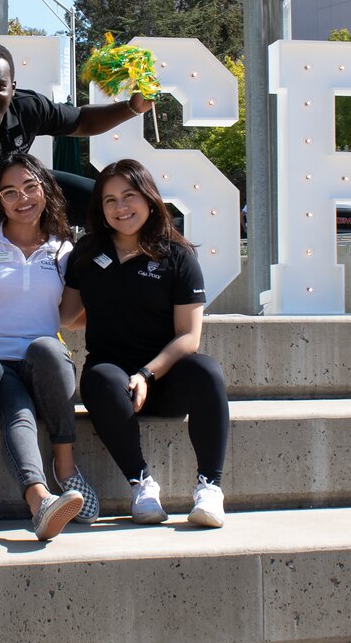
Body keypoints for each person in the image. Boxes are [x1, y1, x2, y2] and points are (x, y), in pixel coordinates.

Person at [61, 158, 230, 529]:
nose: (121, 208)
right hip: (112, 382)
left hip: (163, 378)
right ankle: (142, 485)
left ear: (150, 199)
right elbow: (66, 317)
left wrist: (145, 375)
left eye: (130, 196)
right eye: (110, 200)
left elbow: (189, 336)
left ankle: (209, 489)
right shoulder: (87, 253)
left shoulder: (177, 255)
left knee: (207, 370)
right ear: (100, 209)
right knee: (99, 379)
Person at [0, 154, 95, 541]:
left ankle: (66, 469)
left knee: (49, 349)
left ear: (46, 189)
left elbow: (72, 315)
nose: (23, 198)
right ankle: (42, 502)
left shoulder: (64, 249)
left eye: (31, 187)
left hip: (42, 364)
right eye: (10, 191)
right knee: (17, 411)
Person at [0, 41, 152, 233]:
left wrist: (132, 107)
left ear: (13, 88)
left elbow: (82, 120)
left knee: (101, 201)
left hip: (23, 193)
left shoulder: (28, 107)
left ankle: (120, 264)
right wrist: (11, 236)